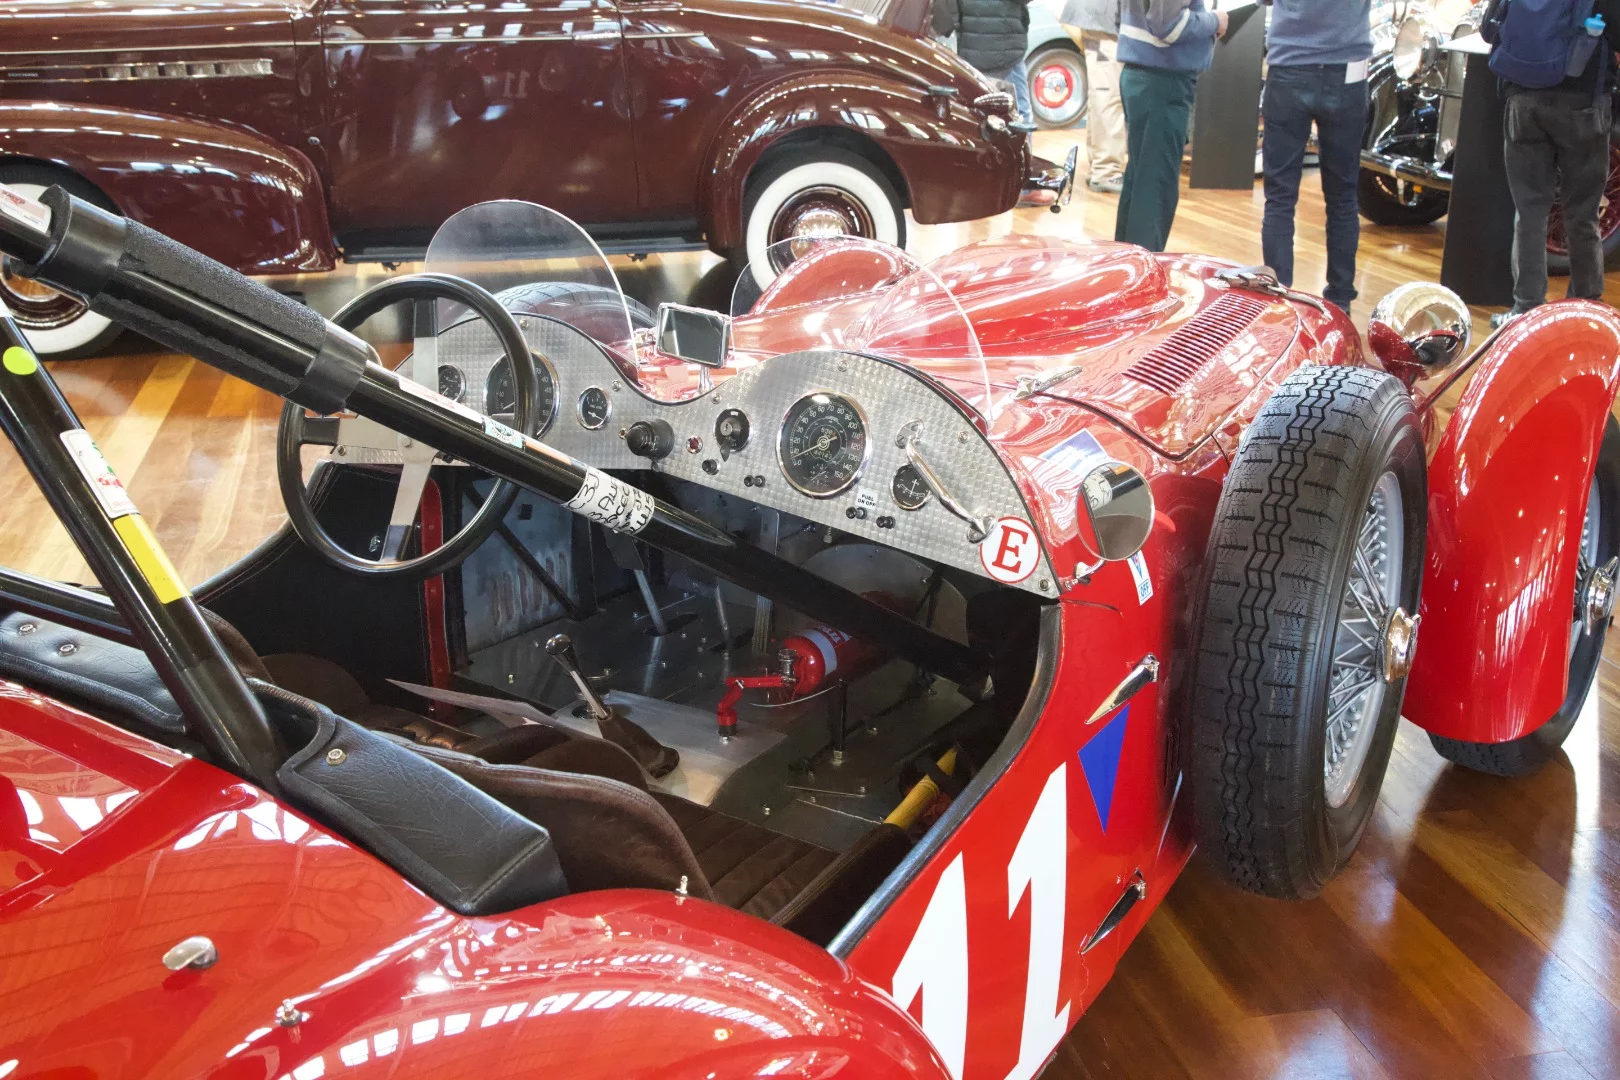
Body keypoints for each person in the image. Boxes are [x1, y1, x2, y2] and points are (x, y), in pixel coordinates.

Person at [1481, 0, 1620, 325]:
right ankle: (1585, 308)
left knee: (1529, 212)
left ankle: (1525, 308)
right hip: (1582, 102)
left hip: (1523, 100)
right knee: (1582, 214)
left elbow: (1490, 28)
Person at [1258, 0, 1373, 316]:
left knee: (1279, 197)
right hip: (1347, 70)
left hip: (1290, 66)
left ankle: (1280, 296)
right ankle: (1340, 300)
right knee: (1343, 198)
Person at [1115, 0, 1228, 251]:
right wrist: (1215, 21)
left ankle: (1127, 269)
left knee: (1141, 181)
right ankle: (1143, 279)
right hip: (1162, 79)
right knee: (1154, 187)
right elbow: (1167, 25)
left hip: (1145, 74)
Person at [1062, 0, 1128, 192]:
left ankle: (1100, 168)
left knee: (1102, 95)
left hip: (1098, 19)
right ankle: (1106, 171)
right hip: (1106, 20)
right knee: (1109, 97)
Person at [934, 0, 1036, 123]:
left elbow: (943, 25)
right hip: (1008, 58)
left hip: (970, 61)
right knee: (1019, 115)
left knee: (972, 115)